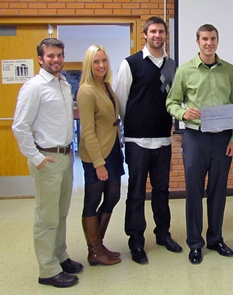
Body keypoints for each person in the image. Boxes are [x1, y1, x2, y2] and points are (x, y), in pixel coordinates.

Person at [166, 24, 233, 265]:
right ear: (197, 42)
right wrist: (182, 113)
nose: (209, 43)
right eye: (204, 39)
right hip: (195, 138)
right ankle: (195, 244)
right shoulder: (185, 70)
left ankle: (215, 239)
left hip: (222, 139)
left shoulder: (228, 70)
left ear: (217, 41)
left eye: (213, 39)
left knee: (218, 191)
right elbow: (171, 102)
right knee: (194, 192)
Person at [12, 38, 83, 288]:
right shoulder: (34, 87)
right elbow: (19, 126)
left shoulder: (63, 84)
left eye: (59, 55)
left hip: (65, 156)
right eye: (51, 56)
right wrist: (37, 158)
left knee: (61, 213)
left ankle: (59, 255)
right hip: (47, 159)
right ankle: (47, 269)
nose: (56, 60)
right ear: (40, 59)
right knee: (46, 217)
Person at [114, 16, 182, 265]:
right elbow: (120, 102)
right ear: (145, 35)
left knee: (162, 191)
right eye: (153, 31)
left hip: (164, 141)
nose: (157, 35)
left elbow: (175, 100)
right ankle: (136, 241)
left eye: (161, 31)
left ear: (166, 35)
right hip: (137, 142)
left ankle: (163, 234)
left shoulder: (172, 65)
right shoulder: (130, 64)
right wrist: (134, 126)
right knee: (136, 193)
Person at [77, 45, 123, 266]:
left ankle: (98, 245)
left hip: (113, 149)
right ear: (89, 64)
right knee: (92, 200)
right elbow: (86, 131)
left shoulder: (105, 86)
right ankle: (94, 250)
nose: (101, 65)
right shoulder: (86, 90)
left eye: (104, 60)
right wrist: (98, 163)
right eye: (96, 61)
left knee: (113, 196)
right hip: (96, 154)